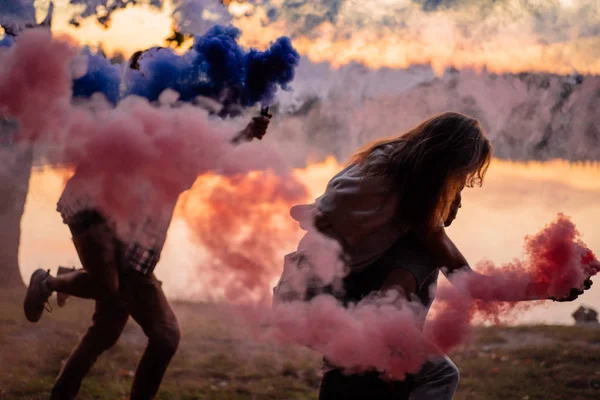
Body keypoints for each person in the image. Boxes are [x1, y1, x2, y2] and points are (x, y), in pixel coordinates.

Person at [274, 112, 593, 400]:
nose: (460, 197)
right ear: (444, 170)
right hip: (317, 308)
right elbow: (472, 286)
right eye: (461, 183)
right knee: (441, 374)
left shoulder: (378, 169)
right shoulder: (416, 218)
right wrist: (549, 288)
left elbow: (318, 213)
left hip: (303, 301)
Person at [22, 49, 272, 400]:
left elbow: (212, 151)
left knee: (105, 330)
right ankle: (50, 281)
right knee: (156, 328)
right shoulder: (131, 119)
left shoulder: (182, 126)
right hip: (93, 210)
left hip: (134, 237)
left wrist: (247, 131)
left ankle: (60, 384)